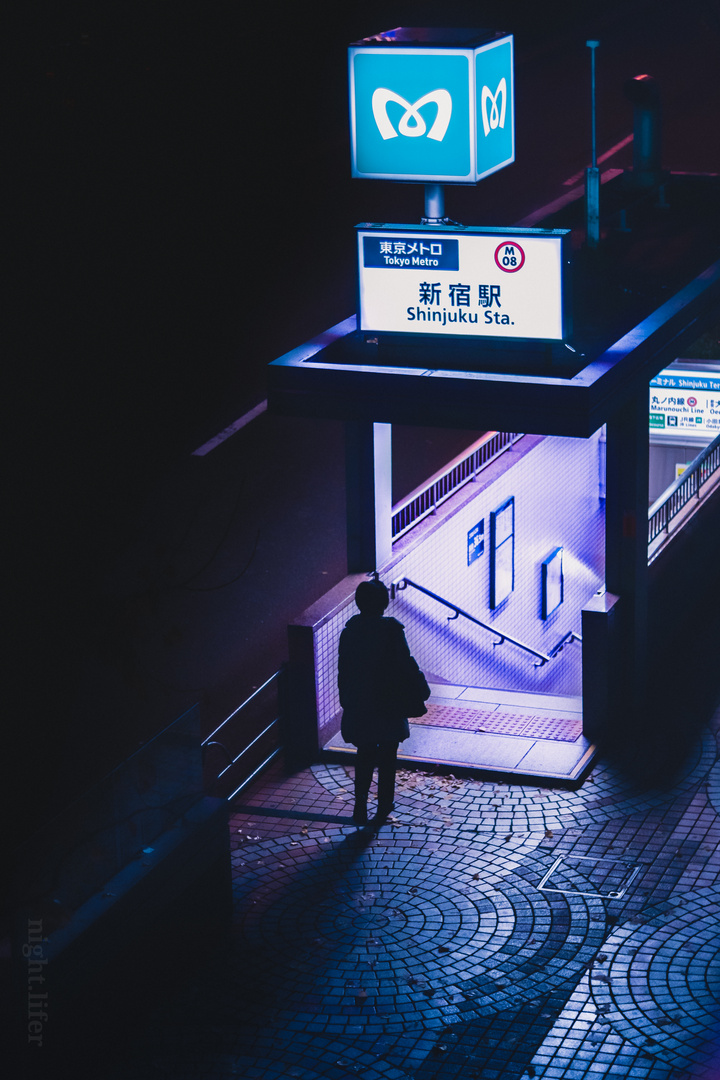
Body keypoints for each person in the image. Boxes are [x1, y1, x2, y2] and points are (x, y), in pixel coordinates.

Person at [338, 579, 429, 825]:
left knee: (364, 753)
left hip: (362, 703)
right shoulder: (391, 630)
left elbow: (344, 670)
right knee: (388, 755)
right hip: (389, 702)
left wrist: (347, 701)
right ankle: (384, 806)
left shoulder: (350, 631)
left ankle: (360, 806)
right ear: (384, 604)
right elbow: (406, 663)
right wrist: (421, 686)